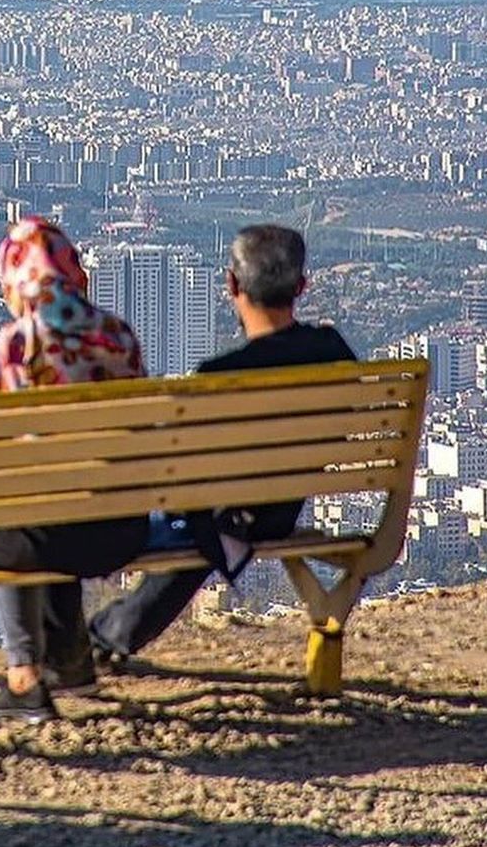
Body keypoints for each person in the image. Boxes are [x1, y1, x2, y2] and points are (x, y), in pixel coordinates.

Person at [0, 215, 145, 737]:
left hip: (41, 536)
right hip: (117, 533)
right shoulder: (119, 338)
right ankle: (54, 672)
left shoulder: (16, 347)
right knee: (24, 514)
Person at [84, 223, 356, 666]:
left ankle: (83, 643)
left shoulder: (221, 375)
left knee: (185, 528)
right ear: (302, 286)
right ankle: (107, 636)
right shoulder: (335, 352)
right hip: (281, 510)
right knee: (207, 526)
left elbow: (181, 475)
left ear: (231, 284)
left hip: (228, 519)